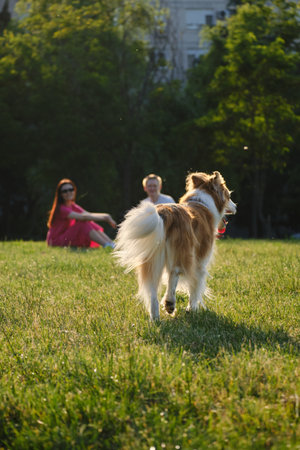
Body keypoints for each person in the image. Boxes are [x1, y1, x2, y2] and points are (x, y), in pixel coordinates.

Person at [46, 178, 117, 248]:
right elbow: (84, 217)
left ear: (74, 190)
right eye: (65, 191)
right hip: (55, 241)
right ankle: (106, 245)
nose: (68, 192)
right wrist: (106, 218)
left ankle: (111, 243)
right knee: (83, 223)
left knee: (88, 221)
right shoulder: (61, 209)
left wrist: (106, 216)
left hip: (66, 236)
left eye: (71, 189)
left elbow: (88, 215)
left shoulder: (72, 205)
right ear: (60, 194)